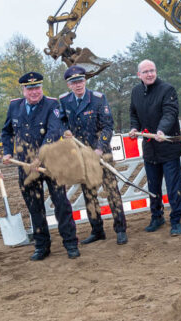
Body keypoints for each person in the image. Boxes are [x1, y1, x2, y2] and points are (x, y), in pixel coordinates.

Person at [0, 72, 80, 260]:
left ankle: (70, 243)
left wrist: (40, 158)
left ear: (41, 88)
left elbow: (54, 131)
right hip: (26, 166)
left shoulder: (52, 105)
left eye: (37, 87)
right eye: (30, 89)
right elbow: (7, 132)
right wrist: (7, 151)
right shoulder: (14, 106)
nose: (35, 92)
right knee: (34, 207)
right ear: (24, 90)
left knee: (61, 204)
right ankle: (42, 246)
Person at [59, 66, 128, 245]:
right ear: (69, 85)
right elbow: (61, 122)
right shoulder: (64, 101)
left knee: (112, 190)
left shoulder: (98, 99)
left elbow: (107, 126)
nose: (78, 85)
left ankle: (120, 229)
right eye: (74, 82)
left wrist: (99, 148)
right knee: (89, 193)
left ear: (85, 81)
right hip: (81, 156)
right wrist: (64, 131)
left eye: (80, 81)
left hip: (101, 153)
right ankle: (97, 230)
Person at [128, 60, 181, 236]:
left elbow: (170, 112)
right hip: (149, 147)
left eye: (152, 70)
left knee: (173, 186)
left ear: (156, 71)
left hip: (168, 146)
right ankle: (157, 216)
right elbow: (134, 113)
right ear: (139, 75)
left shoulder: (167, 90)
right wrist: (134, 128)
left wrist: (162, 130)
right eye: (145, 72)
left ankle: (175, 220)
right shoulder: (136, 92)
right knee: (153, 186)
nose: (149, 74)